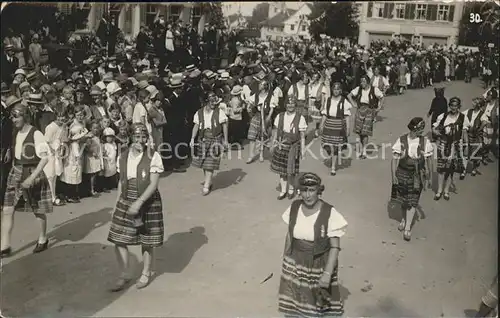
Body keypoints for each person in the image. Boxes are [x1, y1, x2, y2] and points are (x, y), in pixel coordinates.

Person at [278, 172, 347, 317]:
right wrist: (286, 263)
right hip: (296, 264)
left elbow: (335, 247)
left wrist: (327, 274)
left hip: (318, 266)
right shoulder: (294, 208)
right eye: (304, 190)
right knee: (296, 306)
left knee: (317, 308)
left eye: (311, 190)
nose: (307, 195)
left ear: (319, 191)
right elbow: (290, 236)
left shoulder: (330, 213)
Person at [107, 123, 164, 291]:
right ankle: (124, 274)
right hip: (126, 197)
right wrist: (118, 203)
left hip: (147, 199)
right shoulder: (123, 156)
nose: (141, 141)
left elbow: (153, 184)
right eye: (137, 137)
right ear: (131, 137)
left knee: (146, 240)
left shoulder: (153, 156)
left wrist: (139, 203)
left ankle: (146, 273)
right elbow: (121, 181)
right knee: (118, 239)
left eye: (144, 137)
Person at [1, 101, 52, 257]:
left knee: (37, 209)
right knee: (7, 208)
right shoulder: (16, 132)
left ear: (25, 117)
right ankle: (5, 245)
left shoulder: (36, 133)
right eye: (13, 117)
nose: (14, 120)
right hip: (16, 171)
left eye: (16, 117)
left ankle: (43, 238)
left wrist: (32, 177)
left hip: (31, 171)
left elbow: (45, 158)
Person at [390, 117, 433, 241]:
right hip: (402, 173)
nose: (421, 131)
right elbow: (395, 160)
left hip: (417, 175)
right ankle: (404, 219)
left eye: (422, 129)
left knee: (413, 201)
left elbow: (429, 159)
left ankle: (408, 228)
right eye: (419, 129)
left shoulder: (425, 142)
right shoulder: (401, 140)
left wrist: (429, 175)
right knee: (404, 200)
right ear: (413, 128)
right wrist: (393, 176)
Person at [190, 91, 229, 196]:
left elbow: (224, 125)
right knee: (204, 163)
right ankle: (209, 181)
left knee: (210, 163)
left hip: (215, 139)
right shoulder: (199, 113)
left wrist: (225, 140)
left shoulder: (219, 112)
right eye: (211, 102)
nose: (213, 104)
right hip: (202, 139)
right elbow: (196, 126)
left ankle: (206, 185)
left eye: (215, 102)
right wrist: (192, 138)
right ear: (206, 101)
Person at [432, 97, 470, 201]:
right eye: (452, 105)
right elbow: (434, 128)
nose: (453, 107)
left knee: (450, 170)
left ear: (459, 107)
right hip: (443, 145)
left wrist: (466, 146)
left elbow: (464, 133)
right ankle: (439, 191)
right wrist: (437, 132)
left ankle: (446, 191)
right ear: (449, 106)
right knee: (441, 169)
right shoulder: (443, 116)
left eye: (456, 106)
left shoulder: (463, 118)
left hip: (455, 146)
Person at [270, 96, 307, 200]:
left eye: (292, 104)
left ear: (295, 105)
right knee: (282, 172)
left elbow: (302, 136)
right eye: (288, 103)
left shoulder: (300, 118)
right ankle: (283, 191)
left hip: (293, 147)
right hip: (281, 146)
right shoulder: (280, 116)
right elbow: (275, 132)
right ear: (285, 105)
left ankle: (291, 189)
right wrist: (272, 144)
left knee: (291, 172)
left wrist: (303, 151)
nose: (290, 105)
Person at [347, 75, 384, 159]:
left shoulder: (374, 89)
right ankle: (362, 146)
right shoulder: (358, 89)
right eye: (361, 81)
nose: (362, 83)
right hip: (360, 110)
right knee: (359, 132)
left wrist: (379, 107)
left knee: (365, 132)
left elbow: (382, 97)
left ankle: (364, 151)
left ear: (367, 82)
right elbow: (349, 95)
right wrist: (353, 104)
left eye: (364, 81)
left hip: (369, 111)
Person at [320, 82, 352, 175]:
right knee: (327, 146)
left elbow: (347, 116)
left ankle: (333, 167)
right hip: (329, 125)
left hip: (338, 126)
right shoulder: (328, 100)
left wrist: (348, 128)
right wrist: (321, 125)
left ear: (341, 90)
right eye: (334, 89)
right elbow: (325, 114)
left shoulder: (343, 101)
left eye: (338, 89)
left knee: (335, 147)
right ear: (332, 90)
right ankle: (332, 156)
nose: (336, 91)